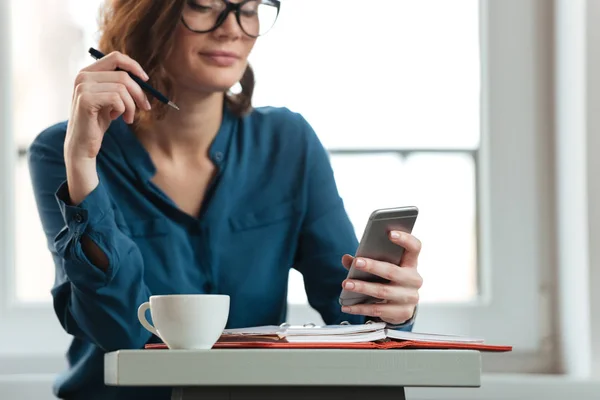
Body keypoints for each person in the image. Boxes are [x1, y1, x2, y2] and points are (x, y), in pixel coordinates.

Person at [28, 1, 423, 399]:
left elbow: (352, 319)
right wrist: (81, 161)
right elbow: (120, 333)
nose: (232, 29)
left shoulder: (288, 142)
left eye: (248, 9)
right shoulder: (64, 151)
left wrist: (389, 306)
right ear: (146, 15)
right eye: (204, 6)